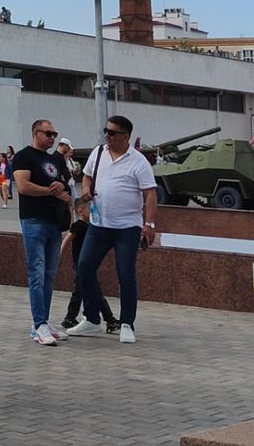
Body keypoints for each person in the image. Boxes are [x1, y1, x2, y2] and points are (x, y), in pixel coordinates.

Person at [68, 114, 157, 344]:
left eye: (112, 133)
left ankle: (126, 324)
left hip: (127, 228)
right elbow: (87, 177)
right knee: (84, 268)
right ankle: (92, 319)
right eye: (105, 131)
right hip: (99, 225)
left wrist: (149, 224)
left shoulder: (138, 161)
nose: (107, 135)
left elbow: (150, 193)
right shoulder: (98, 153)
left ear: (125, 136)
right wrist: (86, 190)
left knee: (126, 275)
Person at [12, 118, 71, 346]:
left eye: (54, 134)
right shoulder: (24, 156)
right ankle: (38, 325)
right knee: (36, 273)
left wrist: (61, 190)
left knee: (49, 274)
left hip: (54, 222)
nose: (52, 138)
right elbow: (24, 186)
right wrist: (51, 191)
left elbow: (64, 185)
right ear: (36, 133)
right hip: (33, 220)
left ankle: (43, 321)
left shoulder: (53, 160)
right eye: (48, 133)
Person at [60, 196, 120, 334]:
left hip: (87, 264)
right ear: (81, 211)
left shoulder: (91, 227)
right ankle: (109, 320)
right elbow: (67, 239)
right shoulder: (79, 226)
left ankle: (70, 317)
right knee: (95, 292)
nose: (93, 212)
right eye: (90, 209)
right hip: (80, 264)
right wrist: (60, 255)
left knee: (80, 292)